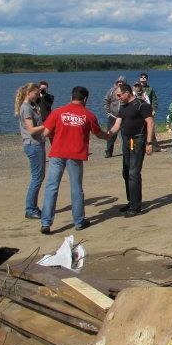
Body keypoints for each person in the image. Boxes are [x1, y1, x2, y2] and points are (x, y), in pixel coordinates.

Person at [40, 86, 110, 234]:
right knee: (76, 188)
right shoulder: (88, 115)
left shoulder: (57, 112)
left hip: (57, 153)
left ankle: (46, 222)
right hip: (75, 155)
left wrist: (58, 134)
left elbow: (45, 133)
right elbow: (98, 133)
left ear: (71, 97)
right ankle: (78, 221)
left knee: (51, 187)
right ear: (85, 99)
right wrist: (108, 135)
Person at [108, 83, 155, 218]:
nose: (118, 98)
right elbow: (117, 124)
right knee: (126, 172)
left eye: (119, 95)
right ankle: (131, 201)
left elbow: (150, 123)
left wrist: (149, 143)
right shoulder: (123, 107)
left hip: (138, 140)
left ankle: (136, 207)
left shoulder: (142, 105)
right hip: (127, 141)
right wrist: (107, 134)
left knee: (134, 173)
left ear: (127, 92)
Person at [15, 83, 46, 219]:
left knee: (38, 177)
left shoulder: (32, 106)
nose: (38, 94)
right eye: (36, 92)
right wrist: (47, 124)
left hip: (36, 144)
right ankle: (30, 208)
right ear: (29, 93)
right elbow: (31, 130)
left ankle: (33, 207)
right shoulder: (26, 108)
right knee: (37, 177)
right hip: (33, 145)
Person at [103, 75, 126, 158]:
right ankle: (108, 152)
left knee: (125, 135)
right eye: (119, 82)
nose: (120, 83)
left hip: (124, 117)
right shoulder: (111, 91)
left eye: (122, 82)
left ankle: (126, 151)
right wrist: (108, 113)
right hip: (113, 116)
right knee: (111, 134)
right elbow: (106, 101)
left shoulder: (127, 92)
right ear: (116, 82)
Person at [138, 73, 160, 151]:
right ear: (139, 78)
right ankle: (140, 146)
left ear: (147, 79)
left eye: (145, 77)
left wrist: (154, 109)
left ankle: (154, 146)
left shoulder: (150, 89)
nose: (143, 78)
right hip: (138, 111)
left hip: (148, 111)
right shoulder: (136, 87)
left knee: (150, 128)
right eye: (142, 77)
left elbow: (154, 100)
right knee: (139, 129)